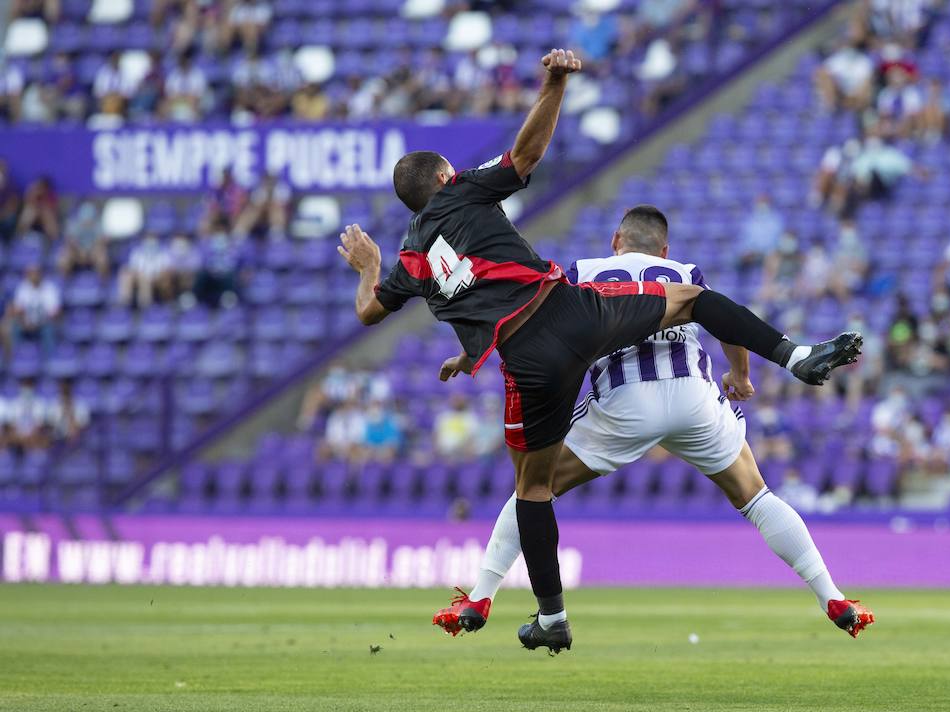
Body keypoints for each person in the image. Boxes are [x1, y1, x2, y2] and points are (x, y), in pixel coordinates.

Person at [337, 49, 863, 655]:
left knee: (532, 490)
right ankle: (795, 358)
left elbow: (372, 309)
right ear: (444, 178)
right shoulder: (462, 194)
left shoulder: (405, 260)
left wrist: (371, 267)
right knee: (692, 300)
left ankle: (537, 611)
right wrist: (554, 85)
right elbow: (524, 157)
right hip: (578, 318)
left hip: (532, 365)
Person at [435, 206, 873, 640]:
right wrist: (740, 374)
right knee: (757, 497)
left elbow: (532, 319)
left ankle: (482, 594)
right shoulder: (685, 273)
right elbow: (726, 321)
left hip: (626, 399)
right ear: (664, 250)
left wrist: (474, 354)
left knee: (534, 489)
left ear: (615, 242)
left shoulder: (582, 271)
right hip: (693, 397)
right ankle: (831, 595)